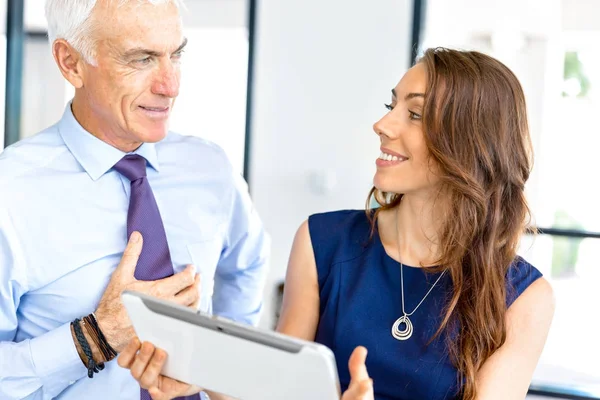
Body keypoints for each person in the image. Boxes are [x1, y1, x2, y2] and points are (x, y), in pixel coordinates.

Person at [119, 47, 555, 400]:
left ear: (470, 144)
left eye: (415, 114)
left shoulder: (524, 298)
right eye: (392, 104)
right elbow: (273, 394)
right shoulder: (321, 242)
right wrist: (197, 373)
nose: (382, 124)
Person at [0, 0, 269, 399]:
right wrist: (96, 336)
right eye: (142, 59)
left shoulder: (210, 168)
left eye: (176, 54)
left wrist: (217, 362)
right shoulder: (10, 191)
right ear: (71, 62)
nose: (170, 86)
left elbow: (247, 266)